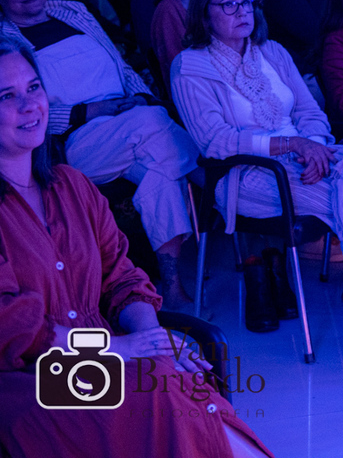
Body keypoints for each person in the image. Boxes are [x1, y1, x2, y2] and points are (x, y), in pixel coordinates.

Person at [0, 36, 274, 458]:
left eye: (34, 88)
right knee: (157, 395)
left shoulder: (72, 186)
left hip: (106, 363)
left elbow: (122, 276)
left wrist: (151, 337)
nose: (28, 105)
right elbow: (11, 324)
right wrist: (115, 349)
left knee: (174, 376)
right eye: (7, 95)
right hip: (32, 378)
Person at [171, 0, 343, 352]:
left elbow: (310, 111)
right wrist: (294, 145)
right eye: (228, 4)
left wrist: (316, 147)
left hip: (306, 163)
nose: (243, 11)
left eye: (247, 2)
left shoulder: (272, 52)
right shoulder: (190, 66)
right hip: (246, 175)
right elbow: (216, 142)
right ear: (205, 16)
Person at [0, 0, 200, 308]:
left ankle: (170, 284)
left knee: (160, 173)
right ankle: (210, 172)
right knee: (154, 122)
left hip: (130, 122)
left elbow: (120, 65)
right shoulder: (6, 40)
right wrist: (88, 111)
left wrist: (140, 96)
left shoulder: (71, 10)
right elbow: (24, 105)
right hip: (77, 140)